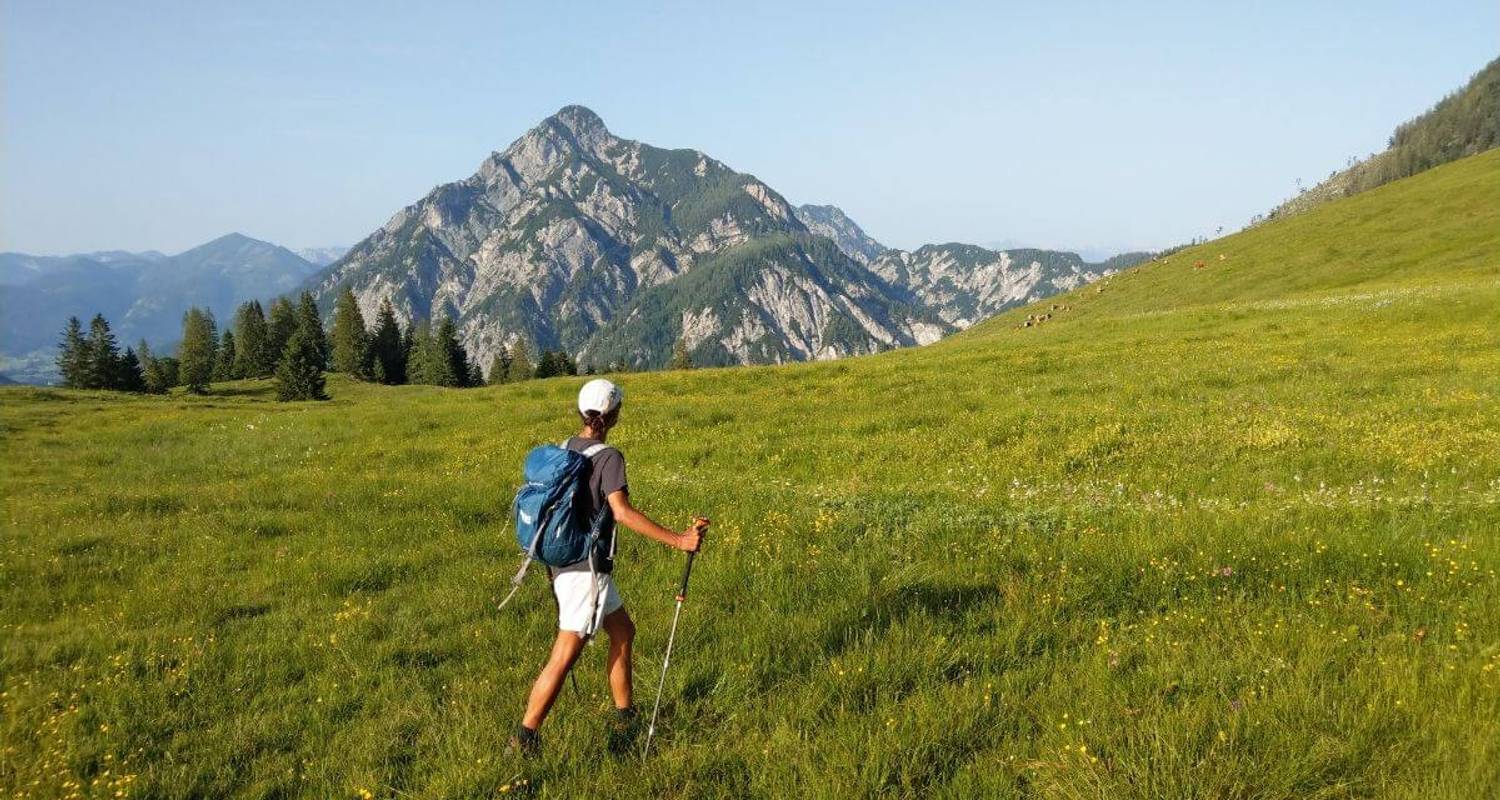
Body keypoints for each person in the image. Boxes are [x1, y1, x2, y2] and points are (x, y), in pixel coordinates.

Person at [511, 377, 708, 757]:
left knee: (623, 631)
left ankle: (624, 716)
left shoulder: (567, 448)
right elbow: (621, 512)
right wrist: (679, 540)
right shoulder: (609, 458)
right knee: (566, 652)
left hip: (567, 564)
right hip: (585, 571)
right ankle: (524, 737)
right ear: (613, 413)